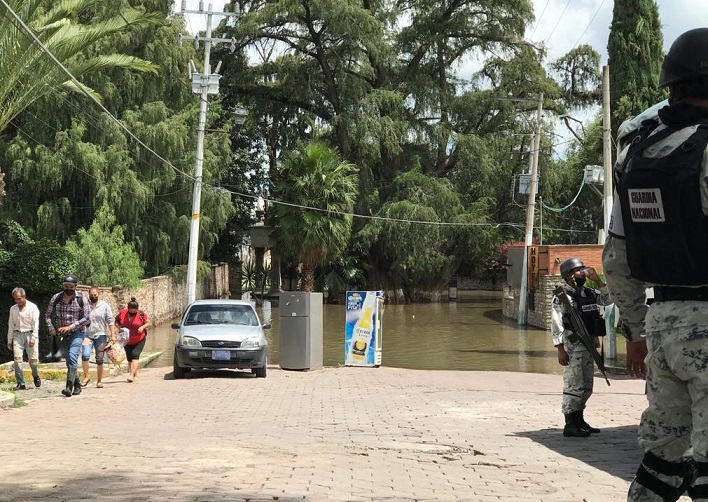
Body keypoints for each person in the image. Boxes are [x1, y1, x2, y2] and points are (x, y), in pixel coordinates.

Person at [602, 27, 708, 502]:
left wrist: (638, 334)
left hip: (662, 326)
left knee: (663, 460)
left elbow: (615, 259)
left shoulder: (639, 152)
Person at [550, 258, 611, 438]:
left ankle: (579, 419)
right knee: (574, 385)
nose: (583, 272)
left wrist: (598, 281)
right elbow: (556, 323)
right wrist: (560, 348)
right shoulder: (562, 297)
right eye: (578, 270)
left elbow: (609, 300)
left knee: (586, 386)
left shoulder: (590, 293)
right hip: (573, 346)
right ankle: (570, 423)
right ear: (569, 276)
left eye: (583, 269)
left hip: (590, 346)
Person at [45, 275, 91, 397]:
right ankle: (77, 386)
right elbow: (48, 315)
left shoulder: (82, 298)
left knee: (72, 355)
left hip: (78, 332)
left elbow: (87, 318)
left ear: (76, 286)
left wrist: (70, 327)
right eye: (66, 286)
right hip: (62, 335)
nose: (68, 288)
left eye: (71, 286)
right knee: (69, 361)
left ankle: (68, 388)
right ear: (63, 286)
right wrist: (51, 328)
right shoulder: (56, 298)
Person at [81, 286, 116, 389]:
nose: (93, 297)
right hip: (88, 335)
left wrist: (112, 335)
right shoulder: (86, 306)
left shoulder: (105, 306)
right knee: (85, 355)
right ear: (89, 295)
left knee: (99, 359)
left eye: (95, 295)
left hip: (101, 335)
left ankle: (99, 381)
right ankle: (86, 377)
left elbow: (110, 321)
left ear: (99, 294)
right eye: (91, 295)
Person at [7, 288, 41, 390]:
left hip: (30, 334)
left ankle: (35, 375)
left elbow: (36, 324)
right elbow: (11, 325)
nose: (18, 301)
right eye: (15, 299)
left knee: (33, 360)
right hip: (18, 334)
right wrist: (9, 340)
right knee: (17, 359)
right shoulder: (13, 309)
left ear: (24, 297)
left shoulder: (32, 307)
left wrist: (34, 337)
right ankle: (20, 383)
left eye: (19, 299)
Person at [116, 297, 151, 383]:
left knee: (135, 354)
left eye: (134, 311)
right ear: (128, 309)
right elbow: (116, 322)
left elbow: (149, 323)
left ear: (137, 309)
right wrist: (119, 328)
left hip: (139, 339)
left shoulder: (141, 314)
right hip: (126, 340)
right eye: (131, 311)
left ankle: (131, 375)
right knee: (129, 358)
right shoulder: (122, 313)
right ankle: (135, 374)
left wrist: (142, 327)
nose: (132, 312)